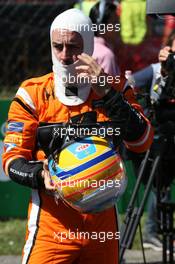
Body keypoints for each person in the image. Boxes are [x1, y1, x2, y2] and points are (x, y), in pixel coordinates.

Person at [2, 8, 153, 264]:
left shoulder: (115, 88)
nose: (64, 56)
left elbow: (142, 141)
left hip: (103, 225)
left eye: (73, 47)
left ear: (90, 46)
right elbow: (11, 160)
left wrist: (106, 92)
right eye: (57, 46)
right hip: (52, 226)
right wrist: (40, 175)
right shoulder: (33, 94)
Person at [123, 29, 175, 252]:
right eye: (173, 50)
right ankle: (148, 233)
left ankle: (158, 233)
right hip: (158, 136)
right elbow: (129, 81)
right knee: (157, 188)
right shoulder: (156, 71)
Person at [89, 1, 120, 77]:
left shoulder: (85, 46)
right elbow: (109, 87)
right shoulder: (106, 55)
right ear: (101, 26)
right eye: (115, 22)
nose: (118, 27)